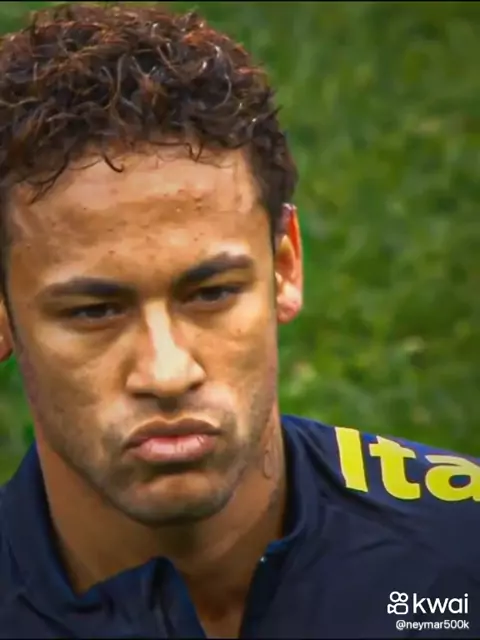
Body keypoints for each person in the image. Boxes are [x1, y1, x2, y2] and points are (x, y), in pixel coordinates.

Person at [0, 3, 478, 638]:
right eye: (94, 311)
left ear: (284, 267)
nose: (168, 374)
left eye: (211, 294)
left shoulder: (461, 551)